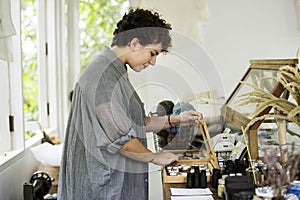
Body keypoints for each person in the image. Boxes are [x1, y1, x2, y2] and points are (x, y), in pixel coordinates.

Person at [58, 8, 202, 200]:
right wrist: (155, 157)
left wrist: (176, 120)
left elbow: (136, 122)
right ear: (134, 43)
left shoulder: (115, 72)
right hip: (102, 190)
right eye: (152, 53)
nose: (153, 62)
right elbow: (123, 141)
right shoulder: (103, 77)